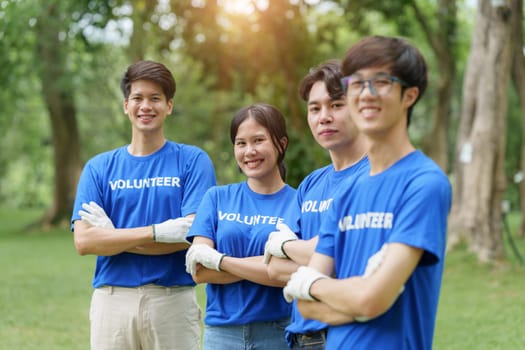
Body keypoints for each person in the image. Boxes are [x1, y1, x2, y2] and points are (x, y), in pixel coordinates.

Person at [283, 35, 452, 350]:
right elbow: (305, 307)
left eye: (381, 82)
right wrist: (360, 295)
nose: (366, 94)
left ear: (409, 96)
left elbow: (369, 299)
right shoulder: (346, 193)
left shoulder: (424, 183)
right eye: (357, 84)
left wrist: (313, 283)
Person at [70, 60, 216, 350]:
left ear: (169, 106)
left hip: (172, 301)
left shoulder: (192, 161)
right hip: (112, 301)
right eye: (138, 98)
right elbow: (85, 241)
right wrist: (159, 231)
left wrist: (113, 236)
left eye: (155, 99)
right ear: (126, 105)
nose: (145, 106)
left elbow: (192, 236)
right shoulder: (99, 168)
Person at [263, 60, 368, 349]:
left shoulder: (375, 176)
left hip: (349, 336)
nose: (324, 117)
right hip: (301, 338)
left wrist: (285, 246)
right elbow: (273, 269)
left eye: (336, 105)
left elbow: (352, 256)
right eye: (315, 108)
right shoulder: (311, 184)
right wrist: (325, 258)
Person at [184, 103, 295, 350]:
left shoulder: (298, 203)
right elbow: (199, 269)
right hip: (221, 335)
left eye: (258, 140)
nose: (249, 151)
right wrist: (267, 265)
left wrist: (220, 260)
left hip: (278, 333)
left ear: (282, 144)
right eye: (241, 143)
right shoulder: (216, 198)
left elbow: (290, 273)